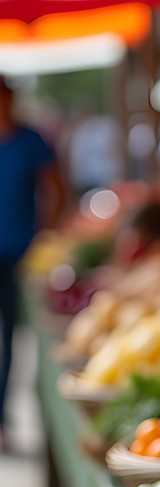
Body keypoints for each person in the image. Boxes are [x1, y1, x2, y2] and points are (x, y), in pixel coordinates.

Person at [0, 78, 65, 451]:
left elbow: (55, 185)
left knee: (10, 337)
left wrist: (45, 231)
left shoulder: (30, 141)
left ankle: (2, 416)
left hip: (19, 254)